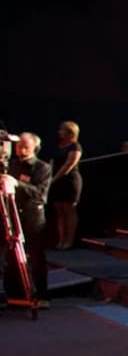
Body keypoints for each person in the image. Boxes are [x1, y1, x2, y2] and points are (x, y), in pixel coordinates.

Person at [1, 132, 53, 305]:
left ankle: (42, 296)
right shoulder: (12, 165)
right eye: (19, 147)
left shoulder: (42, 168)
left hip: (33, 218)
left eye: (26, 147)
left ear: (34, 149)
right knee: (11, 257)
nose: (21, 150)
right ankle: (15, 295)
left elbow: (40, 195)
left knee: (36, 258)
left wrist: (18, 184)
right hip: (12, 215)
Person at [48, 121, 82, 249]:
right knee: (60, 211)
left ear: (70, 132)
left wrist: (54, 178)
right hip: (56, 182)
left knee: (69, 210)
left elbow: (69, 165)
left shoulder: (75, 146)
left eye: (62, 130)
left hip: (69, 181)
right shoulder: (58, 146)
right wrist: (49, 177)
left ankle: (69, 241)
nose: (59, 132)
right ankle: (61, 240)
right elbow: (52, 162)